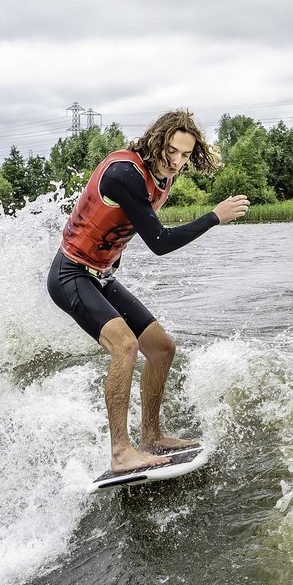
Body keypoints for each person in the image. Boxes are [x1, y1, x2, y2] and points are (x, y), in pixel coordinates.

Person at [46, 110, 249, 475]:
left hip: (101, 276)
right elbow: (158, 242)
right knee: (126, 346)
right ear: (157, 141)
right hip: (70, 273)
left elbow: (121, 228)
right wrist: (214, 216)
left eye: (186, 155)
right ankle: (121, 451)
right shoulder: (125, 174)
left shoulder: (163, 178)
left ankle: (152, 435)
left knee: (161, 347)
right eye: (172, 151)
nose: (177, 161)